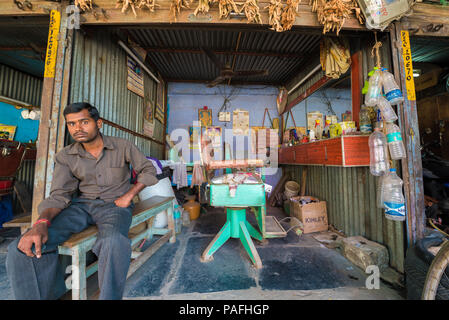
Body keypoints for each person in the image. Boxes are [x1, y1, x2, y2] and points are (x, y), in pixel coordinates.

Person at [6, 102, 158, 300]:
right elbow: (60, 195)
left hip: (115, 206)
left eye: (84, 122)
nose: (77, 128)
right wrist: (41, 223)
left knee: (113, 242)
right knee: (22, 247)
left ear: (98, 123)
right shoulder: (66, 156)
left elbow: (149, 170)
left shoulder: (123, 146)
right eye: (71, 124)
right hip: (81, 206)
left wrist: (129, 195)